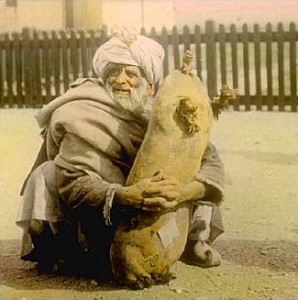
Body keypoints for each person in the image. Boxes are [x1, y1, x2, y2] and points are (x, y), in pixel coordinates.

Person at [16, 29, 225, 281]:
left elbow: (211, 163)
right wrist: (126, 195)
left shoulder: (164, 113)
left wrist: (182, 192)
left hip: (153, 210)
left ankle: (191, 240)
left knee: (194, 165)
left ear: (149, 86)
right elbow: (73, 182)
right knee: (46, 174)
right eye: (113, 71)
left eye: (131, 73)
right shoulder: (81, 113)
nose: (120, 80)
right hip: (103, 208)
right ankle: (70, 253)